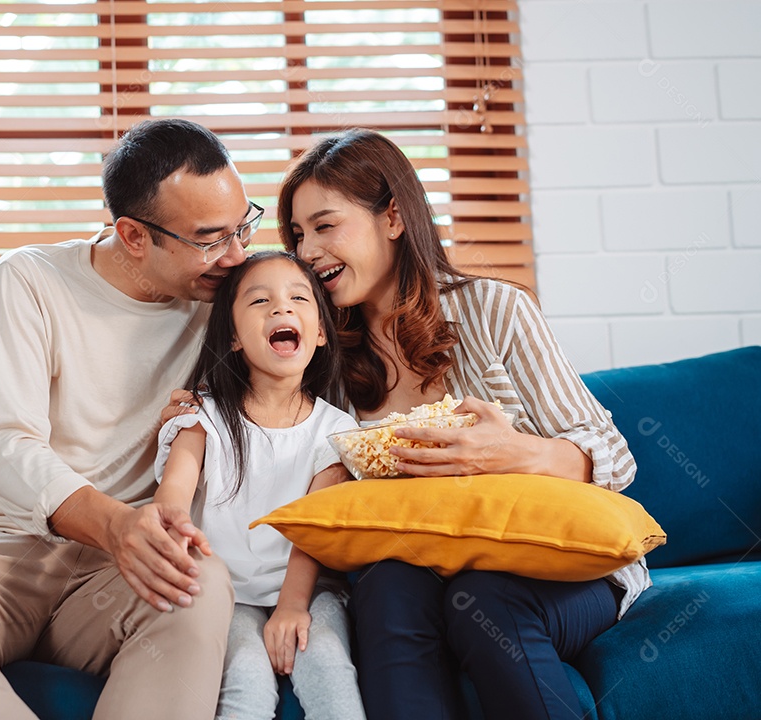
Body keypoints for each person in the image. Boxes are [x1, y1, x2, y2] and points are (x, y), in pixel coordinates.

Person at [0, 118, 264, 720]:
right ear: (133, 235)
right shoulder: (26, 281)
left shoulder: (232, 300)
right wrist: (115, 525)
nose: (236, 255)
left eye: (243, 227)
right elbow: (6, 443)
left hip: (114, 575)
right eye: (211, 239)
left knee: (200, 587)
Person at [275, 128, 650, 720]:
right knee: (386, 591)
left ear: (393, 218)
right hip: (415, 566)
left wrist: (512, 453)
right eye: (297, 235)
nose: (307, 251)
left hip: (551, 564)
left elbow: (614, 456)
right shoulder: (323, 360)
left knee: (486, 601)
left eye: (325, 226)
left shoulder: (495, 310)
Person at [154, 250, 366, 720]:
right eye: (259, 301)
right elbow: (173, 501)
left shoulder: (337, 429)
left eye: (298, 299)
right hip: (222, 594)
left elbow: (314, 529)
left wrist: (292, 608)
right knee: (245, 678)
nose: (281, 309)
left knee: (329, 665)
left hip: (309, 590)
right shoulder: (200, 418)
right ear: (232, 337)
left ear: (321, 334)